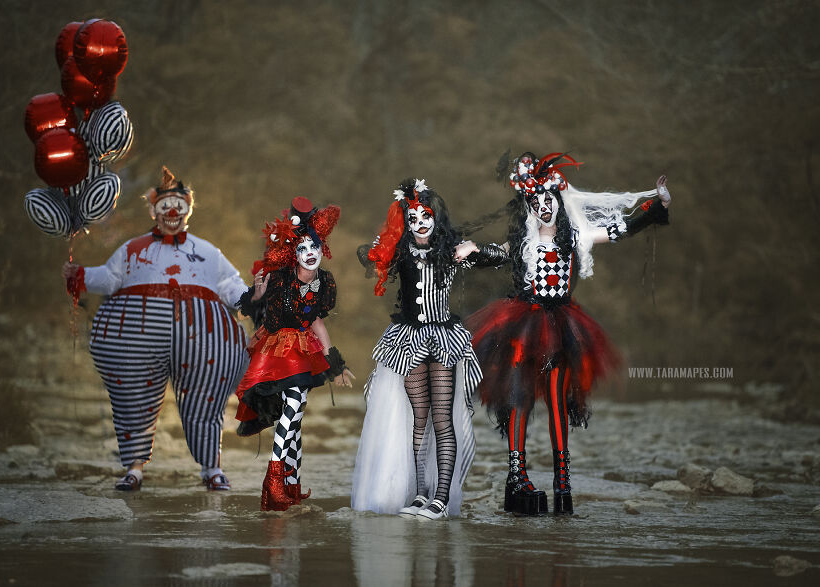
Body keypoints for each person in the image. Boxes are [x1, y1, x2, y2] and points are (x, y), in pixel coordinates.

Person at [465, 152, 672, 515]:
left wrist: (658, 205)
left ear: (559, 201)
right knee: (519, 399)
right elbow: (497, 254)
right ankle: (517, 476)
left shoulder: (575, 237)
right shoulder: (523, 241)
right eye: (536, 202)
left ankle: (563, 483)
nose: (543, 206)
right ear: (528, 207)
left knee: (558, 403)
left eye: (548, 199)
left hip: (561, 327)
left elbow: (620, 229)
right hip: (522, 325)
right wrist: (472, 250)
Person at [63, 166, 250, 491]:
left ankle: (212, 469)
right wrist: (80, 275)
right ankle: (134, 470)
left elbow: (231, 285)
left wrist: (254, 298)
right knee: (134, 400)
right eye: (165, 206)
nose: (172, 212)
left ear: (188, 209)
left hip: (200, 338)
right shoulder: (132, 249)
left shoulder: (208, 252)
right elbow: (109, 278)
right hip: (140, 335)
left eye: (178, 205)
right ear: (153, 211)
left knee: (205, 403)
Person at [351, 178, 504, 520]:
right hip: (408, 339)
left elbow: (499, 256)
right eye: (412, 219)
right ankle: (421, 494)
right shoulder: (400, 251)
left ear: (436, 217)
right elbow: (365, 256)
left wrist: (474, 248)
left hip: (444, 339)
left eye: (425, 217)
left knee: (442, 418)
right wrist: (385, 240)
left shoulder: (450, 249)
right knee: (419, 418)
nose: (420, 224)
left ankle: (441, 497)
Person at [234, 197, 353, 511]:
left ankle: (292, 485)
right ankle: (273, 479)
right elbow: (249, 307)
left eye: (314, 246)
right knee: (295, 404)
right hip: (276, 349)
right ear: (294, 254)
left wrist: (336, 364)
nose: (310, 253)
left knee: (296, 419)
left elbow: (317, 323)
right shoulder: (280, 278)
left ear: (322, 249)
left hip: (304, 348)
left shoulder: (324, 282)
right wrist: (258, 293)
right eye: (302, 248)